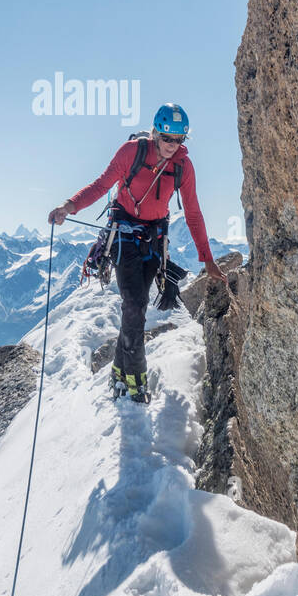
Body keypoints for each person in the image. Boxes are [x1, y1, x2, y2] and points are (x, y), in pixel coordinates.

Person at [48, 104, 228, 403]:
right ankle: (136, 380)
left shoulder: (183, 166)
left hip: (154, 241)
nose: (172, 145)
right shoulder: (131, 153)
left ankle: (118, 371)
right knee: (135, 304)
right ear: (156, 133)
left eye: (179, 140)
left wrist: (207, 259)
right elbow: (101, 184)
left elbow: (194, 214)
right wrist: (69, 207)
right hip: (123, 236)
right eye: (168, 138)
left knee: (136, 307)